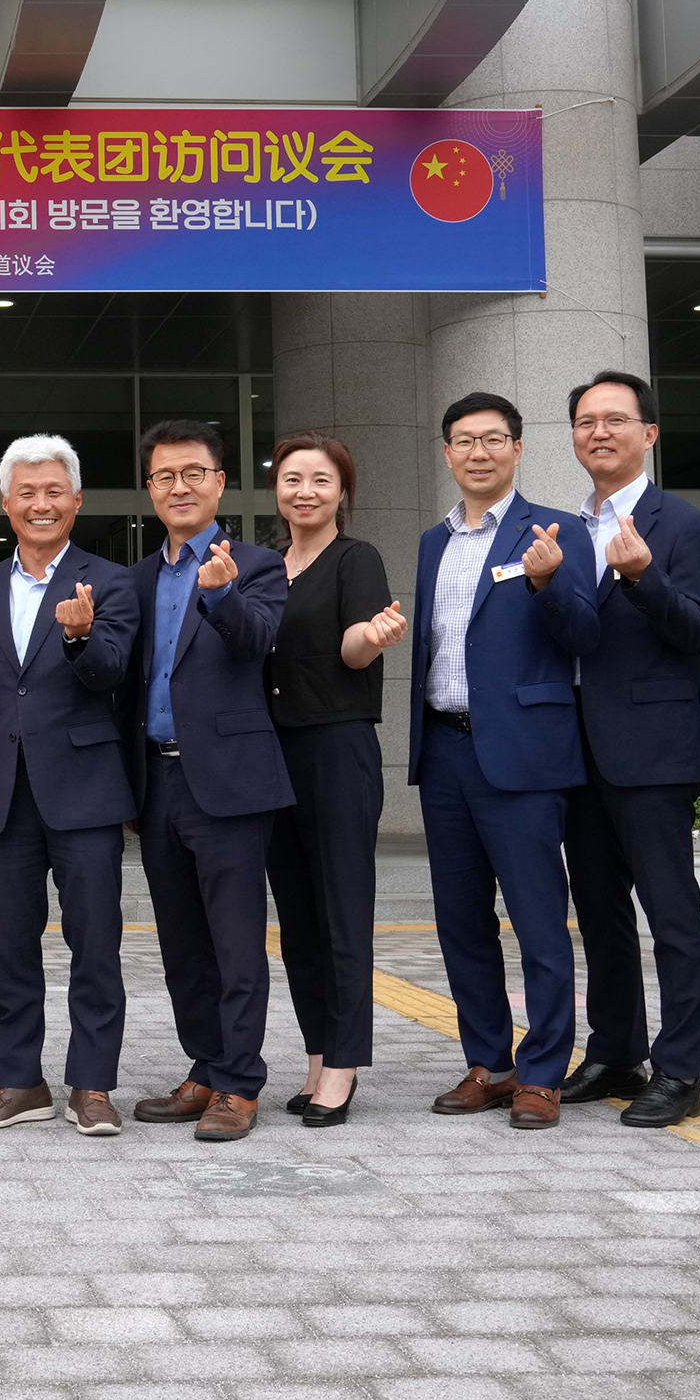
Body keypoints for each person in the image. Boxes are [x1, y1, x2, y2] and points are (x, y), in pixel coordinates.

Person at [409, 393, 601, 1132]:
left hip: (523, 754)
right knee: (461, 921)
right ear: (447, 452)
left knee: (538, 920)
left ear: (518, 449)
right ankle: (489, 1062)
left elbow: (586, 635)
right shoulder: (434, 542)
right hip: (446, 748)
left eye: (494, 438)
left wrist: (550, 581)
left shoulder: (556, 531)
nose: (479, 451)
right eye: (465, 440)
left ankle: (544, 1070)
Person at [0, 435, 139, 1138]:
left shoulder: (109, 581)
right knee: (10, 944)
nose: (40, 503)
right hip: (2, 789)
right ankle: (18, 1081)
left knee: (94, 941)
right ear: (6, 503)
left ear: (77, 499)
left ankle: (91, 1084)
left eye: (53, 490)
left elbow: (112, 674)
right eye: (26, 492)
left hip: (85, 787)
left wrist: (82, 639)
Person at [557, 372, 700, 1129]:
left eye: (616, 420)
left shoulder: (681, 524)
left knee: (672, 915)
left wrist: (643, 576)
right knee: (598, 915)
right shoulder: (562, 530)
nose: (600, 432)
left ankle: (679, 1067)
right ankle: (614, 1049)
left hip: (654, 751)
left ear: (649, 433)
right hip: (575, 753)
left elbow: (699, 629)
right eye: (587, 421)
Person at [123, 418, 292, 1144]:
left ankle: (239, 1082)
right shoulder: (135, 576)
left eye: (193, 472)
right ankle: (205, 1064)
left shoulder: (255, 564)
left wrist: (220, 595)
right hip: (155, 781)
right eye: (165, 475)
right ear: (150, 488)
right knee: (181, 939)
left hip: (227, 782)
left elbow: (258, 641)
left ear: (220, 481)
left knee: (234, 938)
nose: (179, 486)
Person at [260, 432, 407, 1130]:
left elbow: (354, 643)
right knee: (296, 919)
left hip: (337, 748)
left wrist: (372, 639)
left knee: (342, 909)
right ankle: (318, 1053)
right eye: (293, 479)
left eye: (320, 479)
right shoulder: (265, 565)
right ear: (277, 489)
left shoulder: (357, 557)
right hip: (271, 753)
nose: (306, 490)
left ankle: (345, 1063)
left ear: (342, 491)